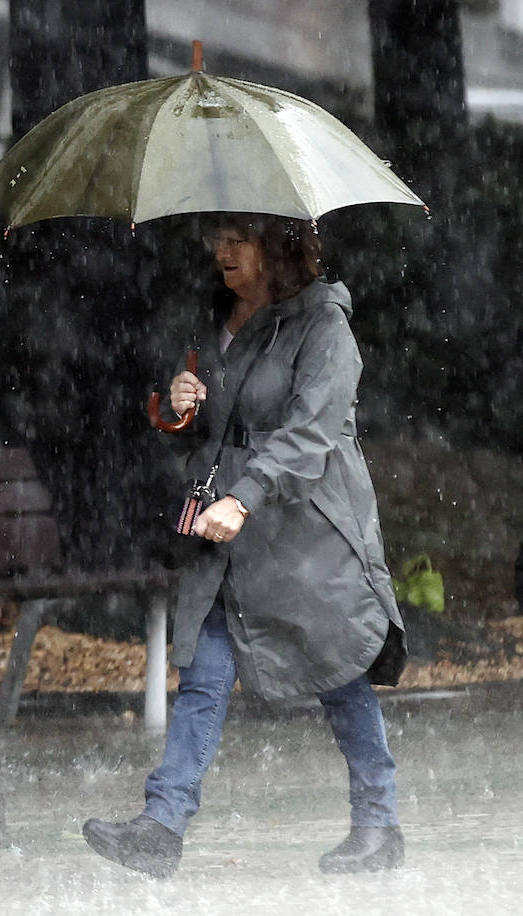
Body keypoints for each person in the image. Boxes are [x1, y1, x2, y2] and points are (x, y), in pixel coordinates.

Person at [81, 213, 408, 878]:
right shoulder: (215, 318)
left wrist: (245, 495)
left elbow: (309, 436)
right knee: (203, 671)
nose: (221, 253)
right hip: (226, 533)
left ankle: (379, 825)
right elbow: (203, 419)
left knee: (339, 670)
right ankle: (161, 826)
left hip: (307, 534)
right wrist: (179, 404)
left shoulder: (325, 328)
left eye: (238, 239)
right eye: (216, 239)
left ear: (278, 244)